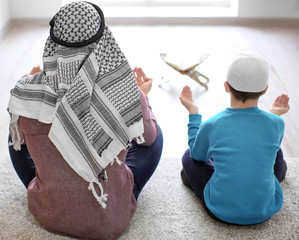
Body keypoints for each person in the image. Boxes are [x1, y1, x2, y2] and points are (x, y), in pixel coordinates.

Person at [7, 2, 163, 239]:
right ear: (102, 42)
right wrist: (142, 99)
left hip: (47, 214)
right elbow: (148, 137)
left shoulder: (27, 92)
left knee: (15, 132)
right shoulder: (125, 92)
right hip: (110, 220)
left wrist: (33, 92)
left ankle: (44, 188)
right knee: (155, 136)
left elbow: (21, 139)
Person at [179, 51, 289, 225]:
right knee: (277, 153)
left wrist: (193, 113)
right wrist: (274, 113)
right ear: (265, 89)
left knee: (188, 156)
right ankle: (278, 174)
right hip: (265, 211)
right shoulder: (276, 123)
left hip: (220, 211)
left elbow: (197, 155)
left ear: (226, 86)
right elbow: (261, 139)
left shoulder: (213, 124)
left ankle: (195, 180)